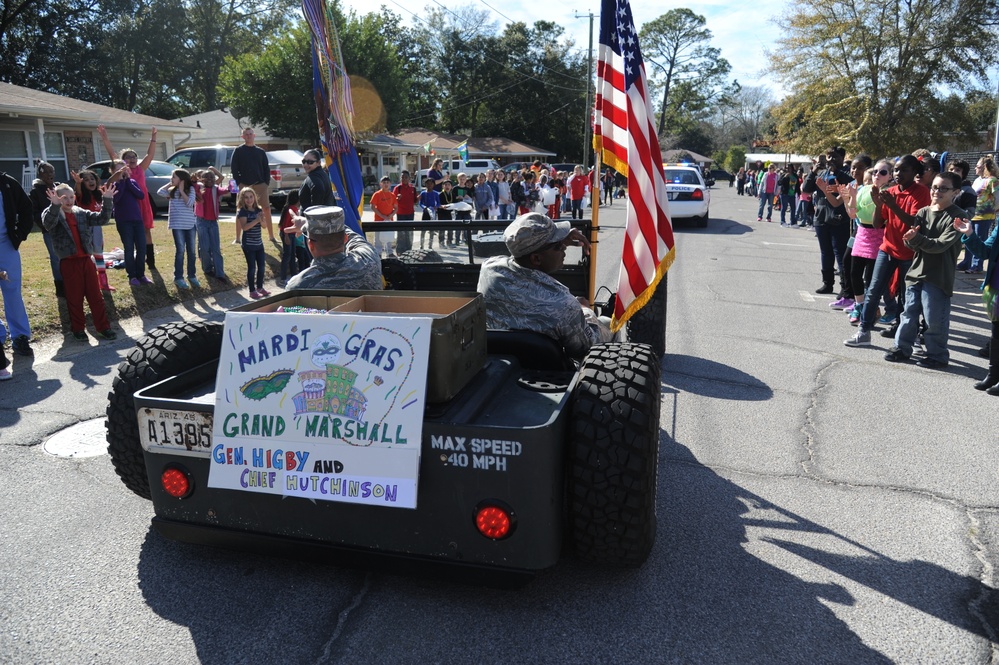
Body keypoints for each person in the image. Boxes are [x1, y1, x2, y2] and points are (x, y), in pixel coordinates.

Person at [477, 212, 613, 358]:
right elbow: (589, 346)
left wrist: (557, 241)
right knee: (609, 323)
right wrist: (585, 310)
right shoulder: (563, 306)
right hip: (553, 369)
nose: (564, 247)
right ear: (536, 259)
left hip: (497, 358)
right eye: (558, 246)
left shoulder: (489, 269)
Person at [845, 154, 931, 347]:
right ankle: (864, 332)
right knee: (873, 290)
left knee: (907, 296)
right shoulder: (889, 191)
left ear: (915, 172)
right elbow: (877, 224)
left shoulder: (921, 192)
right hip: (887, 249)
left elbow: (915, 222)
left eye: (904, 170)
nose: (898, 173)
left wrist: (892, 206)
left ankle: (907, 337)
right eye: (896, 170)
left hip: (909, 252)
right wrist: (878, 205)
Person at [882, 171, 965, 367]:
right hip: (916, 272)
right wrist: (910, 239)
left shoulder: (958, 217)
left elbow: (939, 245)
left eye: (943, 188)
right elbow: (916, 245)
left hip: (937, 276)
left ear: (956, 192)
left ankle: (937, 355)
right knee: (908, 314)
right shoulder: (923, 212)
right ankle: (902, 348)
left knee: (934, 318)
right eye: (935, 187)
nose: (937, 191)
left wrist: (916, 239)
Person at [42, 183, 118, 341]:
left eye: (71, 197)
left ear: (75, 198)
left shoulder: (80, 212)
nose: (68, 201)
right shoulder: (53, 213)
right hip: (69, 263)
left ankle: (103, 328)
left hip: (86, 261)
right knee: (74, 298)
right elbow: (48, 224)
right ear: (57, 199)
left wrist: (107, 200)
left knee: (95, 296)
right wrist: (54, 206)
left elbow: (102, 219)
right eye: (63, 198)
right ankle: (78, 329)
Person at [97, 125, 158, 268]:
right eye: (128, 157)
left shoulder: (141, 168)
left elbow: (150, 155)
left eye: (134, 156)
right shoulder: (122, 171)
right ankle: (136, 258)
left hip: (143, 203)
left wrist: (153, 138)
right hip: (129, 204)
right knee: (133, 234)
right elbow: (112, 153)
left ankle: (151, 262)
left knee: (146, 231)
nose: (132, 159)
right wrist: (104, 137)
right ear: (123, 161)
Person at [286, 206, 382, 290]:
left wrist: (308, 224)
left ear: (311, 245)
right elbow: (356, 239)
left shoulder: (297, 286)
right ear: (345, 238)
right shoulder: (369, 259)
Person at [955, 211, 999, 394]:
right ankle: (993, 374)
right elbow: (985, 251)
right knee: (996, 334)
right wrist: (969, 234)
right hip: (996, 287)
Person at [805, 147, 853, 295]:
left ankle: (845, 287)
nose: (831, 160)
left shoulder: (846, 173)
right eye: (829, 157)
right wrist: (813, 171)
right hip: (821, 218)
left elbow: (851, 183)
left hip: (839, 219)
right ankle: (827, 283)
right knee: (826, 252)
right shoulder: (822, 173)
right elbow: (806, 188)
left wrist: (836, 172)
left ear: (843, 158)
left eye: (835, 157)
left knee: (840, 253)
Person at [0, 170, 35, 368]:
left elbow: (26, 208)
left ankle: (20, 337)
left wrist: (19, 234)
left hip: (6, 247)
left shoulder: (8, 183)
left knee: (12, 292)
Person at [71, 169, 114, 292]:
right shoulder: (81, 195)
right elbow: (78, 191)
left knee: (99, 253)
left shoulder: (99, 193)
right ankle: (90, 283)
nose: (90, 181)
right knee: (87, 255)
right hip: (85, 228)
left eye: (92, 179)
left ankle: (103, 283)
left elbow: (111, 182)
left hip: (97, 228)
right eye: (86, 180)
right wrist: (78, 183)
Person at [157, 169, 199, 290]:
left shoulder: (190, 190)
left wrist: (181, 189)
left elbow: (190, 203)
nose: (172, 178)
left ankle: (192, 275)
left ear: (181, 179)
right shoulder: (171, 191)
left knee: (191, 251)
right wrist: (171, 184)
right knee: (180, 251)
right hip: (177, 226)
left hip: (190, 225)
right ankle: (178, 278)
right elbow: (159, 192)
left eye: (174, 177)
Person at [956, 155, 998, 274]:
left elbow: (997, 197)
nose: (975, 168)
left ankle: (977, 265)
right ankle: (966, 262)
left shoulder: (993, 181)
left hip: (985, 216)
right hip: (973, 214)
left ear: (984, 167)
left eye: (978, 166)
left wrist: (995, 210)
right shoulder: (977, 180)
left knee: (980, 239)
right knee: (969, 238)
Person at [230, 127, 273, 243]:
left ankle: (271, 236)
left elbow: (266, 168)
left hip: (260, 185)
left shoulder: (260, 151)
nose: (248, 136)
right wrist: (239, 183)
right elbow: (234, 169)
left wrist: (266, 183)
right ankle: (238, 238)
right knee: (240, 210)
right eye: (246, 134)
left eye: (250, 134)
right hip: (244, 185)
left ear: (254, 135)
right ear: (242, 137)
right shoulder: (238, 151)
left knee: (266, 209)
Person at [112, 164, 151, 286]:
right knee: (129, 249)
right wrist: (121, 182)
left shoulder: (132, 181)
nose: (123, 171)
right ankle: (132, 275)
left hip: (137, 220)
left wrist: (128, 180)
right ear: (113, 171)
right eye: (119, 169)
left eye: (124, 168)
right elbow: (117, 198)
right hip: (124, 221)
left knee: (141, 248)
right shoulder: (113, 185)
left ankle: (141, 274)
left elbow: (140, 195)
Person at [28, 161, 63, 296]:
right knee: (55, 258)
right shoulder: (36, 191)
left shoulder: (59, 187)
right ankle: (60, 287)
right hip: (49, 230)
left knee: (67, 256)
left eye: (52, 171)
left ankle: (71, 282)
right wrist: (45, 223)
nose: (50, 174)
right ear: (40, 174)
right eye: (47, 172)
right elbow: (35, 212)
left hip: (64, 228)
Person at [194, 167, 229, 284]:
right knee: (204, 248)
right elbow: (190, 184)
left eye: (212, 177)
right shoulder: (198, 187)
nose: (209, 179)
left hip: (213, 222)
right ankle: (207, 269)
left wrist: (233, 184)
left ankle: (220, 273)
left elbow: (227, 189)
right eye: (206, 177)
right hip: (201, 221)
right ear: (201, 179)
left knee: (215, 248)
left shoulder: (216, 189)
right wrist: (195, 178)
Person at [236, 187, 269, 299]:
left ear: (255, 197)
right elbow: (244, 227)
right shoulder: (242, 212)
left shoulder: (258, 210)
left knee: (262, 266)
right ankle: (252, 290)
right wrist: (256, 220)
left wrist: (262, 219)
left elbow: (264, 226)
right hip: (248, 245)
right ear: (242, 199)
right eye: (246, 197)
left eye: (251, 197)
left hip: (259, 243)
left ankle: (260, 287)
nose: (249, 200)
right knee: (252, 268)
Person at [369, 175, 397, 256]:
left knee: (389, 236)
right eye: (384, 183)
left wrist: (391, 215)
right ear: (380, 184)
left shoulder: (392, 195)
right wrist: (381, 215)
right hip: (379, 220)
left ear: (390, 184)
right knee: (378, 238)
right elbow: (372, 206)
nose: (386, 184)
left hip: (389, 220)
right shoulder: (377, 194)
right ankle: (378, 253)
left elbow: (396, 208)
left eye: (387, 182)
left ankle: (390, 252)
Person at [278, 190, 301, 283]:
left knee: (292, 255)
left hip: (291, 233)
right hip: (287, 234)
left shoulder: (293, 208)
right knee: (287, 255)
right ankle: (282, 278)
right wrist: (286, 236)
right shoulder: (290, 209)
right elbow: (285, 225)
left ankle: (293, 276)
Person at [394, 170, 418, 254]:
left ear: (409, 178)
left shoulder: (413, 188)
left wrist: (418, 198)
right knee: (401, 233)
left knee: (409, 232)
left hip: (410, 213)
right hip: (400, 213)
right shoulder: (398, 188)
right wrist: (397, 198)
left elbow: (415, 201)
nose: (404, 179)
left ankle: (408, 250)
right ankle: (400, 251)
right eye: (402, 177)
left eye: (406, 177)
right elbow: (393, 201)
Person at [418, 177, 439, 249]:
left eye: (431, 184)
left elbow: (438, 203)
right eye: (427, 184)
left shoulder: (435, 193)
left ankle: (430, 245)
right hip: (425, 212)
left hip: (432, 213)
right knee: (423, 229)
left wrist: (436, 207)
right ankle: (421, 245)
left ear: (433, 185)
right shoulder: (423, 193)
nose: (429, 185)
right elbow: (420, 203)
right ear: (425, 184)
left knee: (431, 230)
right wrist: (424, 207)